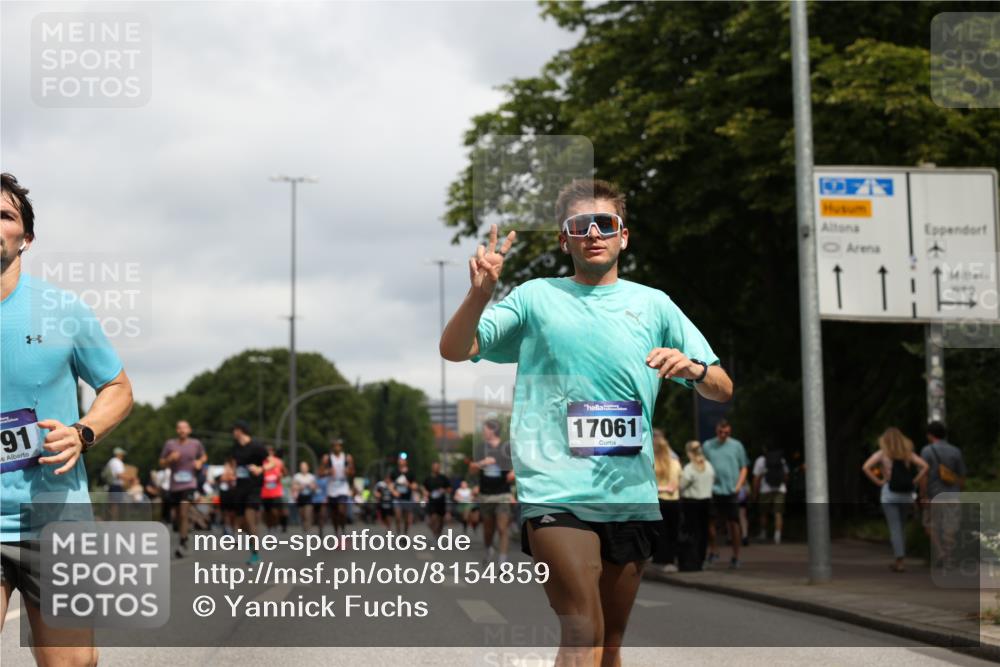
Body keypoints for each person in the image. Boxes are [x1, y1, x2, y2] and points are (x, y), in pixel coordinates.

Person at [439, 179, 732, 665]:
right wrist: (479, 294)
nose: (593, 233)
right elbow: (455, 349)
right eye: (580, 225)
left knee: (610, 644)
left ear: (623, 236)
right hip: (555, 489)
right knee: (584, 629)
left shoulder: (654, 304)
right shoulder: (535, 298)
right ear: (564, 240)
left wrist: (696, 369)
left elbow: (721, 386)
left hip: (630, 492)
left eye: (605, 224)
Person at [1, 172, 134, 667]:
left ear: (26, 239)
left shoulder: (63, 310)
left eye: (5, 215)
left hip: (56, 517)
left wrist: (83, 432)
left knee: (70, 665)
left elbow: (118, 388)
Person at [862, 427, 929, 572]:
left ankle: (900, 561)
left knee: (894, 527)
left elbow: (866, 467)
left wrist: (879, 481)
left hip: (889, 494)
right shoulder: (907, 454)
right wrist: (914, 481)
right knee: (902, 526)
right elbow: (925, 466)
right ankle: (900, 558)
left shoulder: (882, 454)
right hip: (906, 494)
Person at [919, 421, 967, 567]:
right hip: (953, 495)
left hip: (934, 494)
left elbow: (923, 476)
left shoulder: (926, 451)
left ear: (929, 435)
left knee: (930, 525)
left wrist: (923, 495)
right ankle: (949, 556)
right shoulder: (955, 451)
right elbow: (962, 476)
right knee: (950, 527)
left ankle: (940, 552)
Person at [703, 419, 748, 569]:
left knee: (734, 523)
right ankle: (713, 550)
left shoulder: (736, 445)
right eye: (720, 432)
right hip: (713, 490)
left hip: (731, 490)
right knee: (711, 522)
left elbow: (744, 467)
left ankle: (736, 556)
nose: (723, 434)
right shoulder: (708, 445)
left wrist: (738, 486)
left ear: (730, 431)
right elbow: (702, 465)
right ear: (716, 431)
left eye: (726, 432)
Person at [469, 419, 515, 565]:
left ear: (493, 430)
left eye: (485, 429)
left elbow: (517, 466)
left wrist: (513, 473)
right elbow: (472, 469)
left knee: (502, 528)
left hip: (503, 494)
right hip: (486, 494)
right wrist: (483, 463)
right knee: (488, 530)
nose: (483, 432)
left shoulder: (506, 448)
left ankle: (503, 562)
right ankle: (489, 549)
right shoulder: (481, 448)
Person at [159, 419, 207, 557]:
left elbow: (204, 456)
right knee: (178, 516)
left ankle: (182, 542)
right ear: (177, 430)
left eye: (185, 428)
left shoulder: (195, 444)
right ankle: (185, 536)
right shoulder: (170, 444)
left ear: (189, 430)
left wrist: (199, 461)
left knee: (184, 512)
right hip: (175, 486)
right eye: (179, 428)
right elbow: (161, 462)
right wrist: (169, 459)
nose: (182, 430)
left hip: (189, 484)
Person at [229, 420, 267, 563]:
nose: (233, 433)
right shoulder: (236, 447)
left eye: (234, 430)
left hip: (254, 487)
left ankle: (255, 554)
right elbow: (235, 464)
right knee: (242, 522)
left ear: (241, 431)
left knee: (249, 518)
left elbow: (271, 462)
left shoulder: (256, 446)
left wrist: (260, 469)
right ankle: (253, 537)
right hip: (240, 487)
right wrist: (232, 474)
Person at [680, 441, 714, 570]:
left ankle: (691, 559)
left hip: (691, 503)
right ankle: (702, 558)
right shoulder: (709, 466)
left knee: (691, 532)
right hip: (706, 502)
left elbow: (681, 485)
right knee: (703, 532)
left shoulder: (689, 468)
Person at [652, 429, 681, 573]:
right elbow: (678, 480)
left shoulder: (653, 462)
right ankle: (671, 559)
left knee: (660, 532)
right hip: (674, 500)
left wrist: (662, 488)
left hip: (659, 500)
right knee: (672, 531)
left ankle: (660, 558)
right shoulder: (675, 461)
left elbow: (649, 484)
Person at [752, 444, 789, 545]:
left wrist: (755, 493)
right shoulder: (781, 459)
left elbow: (756, 479)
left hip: (765, 490)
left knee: (763, 513)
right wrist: (784, 485)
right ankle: (777, 536)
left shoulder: (760, 460)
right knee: (778, 513)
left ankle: (763, 533)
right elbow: (786, 475)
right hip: (780, 489)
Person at [321, 439, 354, 536]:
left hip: (343, 487)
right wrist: (327, 472)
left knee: (341, 511)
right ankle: (336, 532)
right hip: (331, 488)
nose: (337, 448)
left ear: (341, 447)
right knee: (334, 513)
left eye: (338, 446)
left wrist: (348, 472)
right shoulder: (327, 458)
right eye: (335, 446)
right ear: (332, 447)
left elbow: (353, 472)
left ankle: (343, 529)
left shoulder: (347, 457)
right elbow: (320, 473)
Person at [260, 445, 286, 531]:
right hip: (265, 491)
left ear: (273, 452)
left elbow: (285, 472)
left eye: (271, 450)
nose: (269, 452)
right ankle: (269, 528)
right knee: (267, 513)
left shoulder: (278, 461)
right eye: (267, 451)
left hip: (276, 491)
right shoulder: (262, 462)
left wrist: (281, 475)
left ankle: (276, 526)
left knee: (275, 512)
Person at [423, 460, 451, 538]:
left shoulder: (443, 478)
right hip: (431, 502)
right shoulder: (428, 478)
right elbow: (424, 488)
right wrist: (425, 492)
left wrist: (444, 490)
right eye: (435, 467)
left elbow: (449, 489)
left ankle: (438, 534)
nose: (436, 468)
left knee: (441, 521)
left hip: (441, 502)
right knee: (433, 518)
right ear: (432, 468)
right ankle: (435, 534)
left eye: (437, 467)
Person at [390, 455, 417, 534]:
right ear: (398, 461)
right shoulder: (394, 472)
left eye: (403, 460)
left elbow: (415, 486)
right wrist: (394, 492)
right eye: (400, 460)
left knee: (406, 519)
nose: (401, 461)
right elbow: (390, 485)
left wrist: (408, 484)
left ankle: (405, 534)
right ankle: (399, 534)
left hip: (407, 498)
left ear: (406, 462)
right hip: (397, 499)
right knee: (398, 517)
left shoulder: (410, 473)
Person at [292, 461, 317, 531]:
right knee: (302, 515)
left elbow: (315, 488)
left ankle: (308, 530)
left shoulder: (311, 476)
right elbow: (293, 487)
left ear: (308, 468)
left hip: (308, 497)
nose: (303, 469)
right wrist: (300, 487)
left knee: (307, 515)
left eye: (305, 467)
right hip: (300, 497)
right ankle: (304, 528)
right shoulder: (297, 476)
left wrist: (311, 486)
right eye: (302, 467)